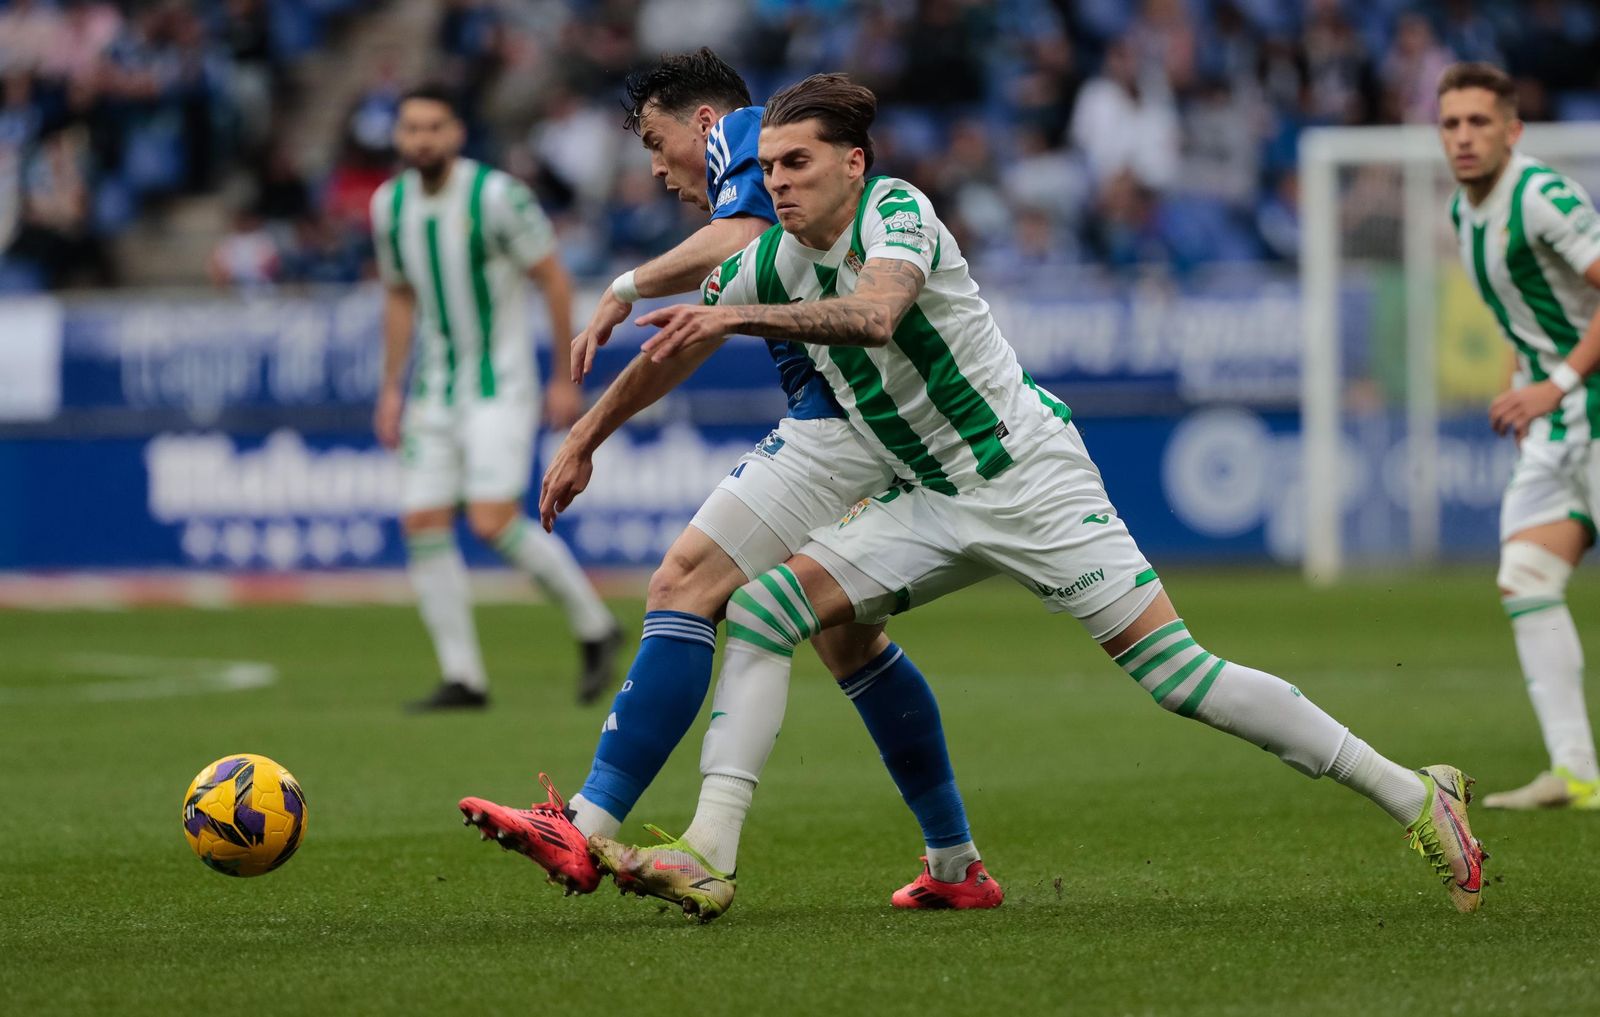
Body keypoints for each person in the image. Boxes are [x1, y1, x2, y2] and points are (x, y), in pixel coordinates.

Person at [588, 73, 1487, 922]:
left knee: (1179, 677)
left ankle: (1414, 791)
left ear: (853, 163)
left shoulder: (897, 212)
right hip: (931, 498)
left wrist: (731, 313)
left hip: (1029, 483)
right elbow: (678, 342)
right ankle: (710, 851)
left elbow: (876, 314)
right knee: (765, 609)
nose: (779, 182)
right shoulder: (773, 262)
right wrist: (586, 433)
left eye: (798, 162)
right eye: (770, 167)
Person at [458, 51, 999, 911]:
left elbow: (737, 243)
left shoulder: (746, 137)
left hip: (841, 427)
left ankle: (586, 824)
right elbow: (698, 333)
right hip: (880, 429)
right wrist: (590, 430)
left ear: (705, 123)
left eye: (655, 140)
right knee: (849, 644)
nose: (655, 168)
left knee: (684, 582)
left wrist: (624, 285)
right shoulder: (769, 205)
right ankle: (956, 863)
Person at [369, 84, 621, 711]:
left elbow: (553, 278)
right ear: (398, 137)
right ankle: (464, 677)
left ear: (456, 132)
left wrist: (562, 378)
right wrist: (391, 386)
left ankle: (595, 625)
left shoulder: (497, 196)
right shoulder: (388, 205)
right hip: (433, 389)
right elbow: (399, 295)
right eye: (411, 128)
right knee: (422, 521)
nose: (422, 139)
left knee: (490, 520)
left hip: (498, 386)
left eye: (434, 127)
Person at [1438, 61, 1600, 809]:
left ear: (1513, 130)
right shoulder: (1462, 213)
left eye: (1479, 121)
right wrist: (1521, 387)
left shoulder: (1541, 196)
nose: (1464, 137)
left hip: (1588, 404)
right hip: (1556, 422)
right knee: (1527, 577)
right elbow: (1522, 317)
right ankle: (1576, 774)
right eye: (1451, 123)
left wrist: (1554, 383)